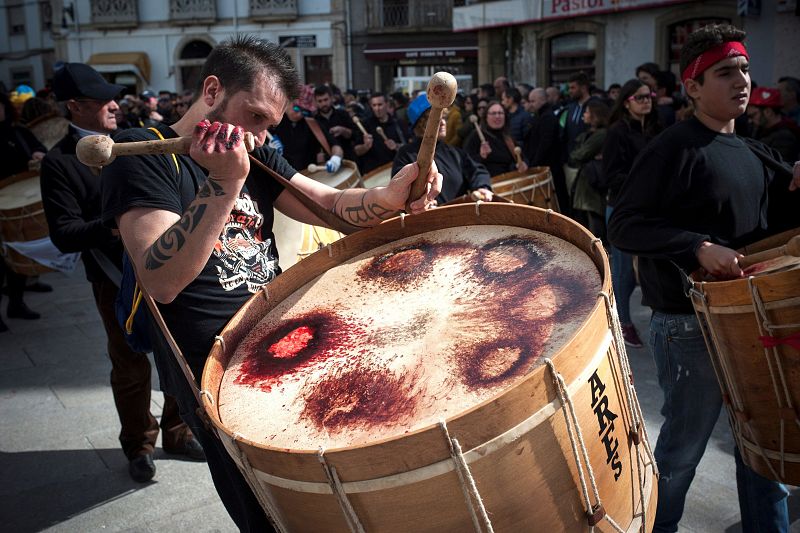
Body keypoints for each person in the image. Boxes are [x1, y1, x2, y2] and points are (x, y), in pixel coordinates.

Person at [101, 35, 441, 531]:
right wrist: (223, 183)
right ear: (212, 90)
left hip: (284, 339)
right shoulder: (146, 156)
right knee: (272, 509)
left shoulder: (255, 153)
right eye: (255, 116)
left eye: (271, 124)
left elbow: (330, 205)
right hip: (214, 373)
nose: (261, 135)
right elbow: (161, 279)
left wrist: (389, 196)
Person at [608, 24, 800, 533]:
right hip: (688, 326)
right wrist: (697, 246)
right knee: (681, 455)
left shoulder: (756, 152)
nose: (740, 80)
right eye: (724, 72)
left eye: (743, 68)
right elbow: (624, 223)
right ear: (692, 87)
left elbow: (770, 229)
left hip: (750, 320)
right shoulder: (672, 149)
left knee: (763, 450)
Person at [40, 62, 203, 483]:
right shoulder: (59, 163)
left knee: (178, 352)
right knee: (130, 364)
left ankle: (178, 430)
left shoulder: (139, 141)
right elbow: (64, 234)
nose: (115, 104)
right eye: (102, 100)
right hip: (113, 277)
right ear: (74, 107)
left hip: (166, 264)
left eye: (114, 97)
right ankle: (139, 444)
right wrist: (119, 221)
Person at [601, 79, 662, 348]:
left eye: (649, 96)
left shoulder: (655, 128)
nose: (646, 100)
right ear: (627, 102)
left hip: (651, 208)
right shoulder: (616, 132)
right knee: (623, 273)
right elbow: (611, 176)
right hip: (622, 209)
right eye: (640, 97)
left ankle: (657, 319)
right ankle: (623, 323)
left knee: (651, 268)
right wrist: (643, 180)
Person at [0, 91, 46, 331]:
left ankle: (16, 303)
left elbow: (37, 146)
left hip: (19, 199)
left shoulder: (18, 131)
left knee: (17, 255)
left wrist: (38, 154)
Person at [393, 93, 492, 205]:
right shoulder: (406, 154)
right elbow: (398, 190)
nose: (443, 122)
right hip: (426, 220)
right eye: (436, 119)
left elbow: (478, 172)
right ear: (421, 125)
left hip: (460, 219)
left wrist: (482, 187)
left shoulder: (454, 152)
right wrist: (419, 202)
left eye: (444, 117)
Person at [567, 99, 609, 241]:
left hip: (592, 187)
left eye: (587, 112)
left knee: (594, 225)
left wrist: (583, 156)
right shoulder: (590, 134)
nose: (584, 114)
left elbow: (579, 155)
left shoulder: (601, 134)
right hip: (586, 185)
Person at [523, 88, 569, 213]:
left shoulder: (547, 117)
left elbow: (545, 144)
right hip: (544, 166)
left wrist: (535, 164)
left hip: (549, 168)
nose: (530, 104)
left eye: (533, 101)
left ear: (542, 100)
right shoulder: (542, 116)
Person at [272, 100, 343, 173]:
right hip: (282, 175)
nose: (299, 114)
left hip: (309, 175)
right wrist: (269, 149)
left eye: (304, 112)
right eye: (296, 108)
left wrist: (335, 159)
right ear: (287, 104)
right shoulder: (274, 122)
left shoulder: (312, 124)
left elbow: (335, 145)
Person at [463, 101, 527, 177]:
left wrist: (522, 164)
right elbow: (465, 163)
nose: (497, 116)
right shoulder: (476, 136)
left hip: (509, 180)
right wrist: (481, 156)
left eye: (500, 113)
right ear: (486, 117)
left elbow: (521, 157)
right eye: (493, 113)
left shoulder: (507, 136)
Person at [353, 92, 406, 173]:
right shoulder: (365, 125)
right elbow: (356, 151)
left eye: (380, 105)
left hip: (393, 170)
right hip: (372, 173)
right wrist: (365, 146)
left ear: (387, 104)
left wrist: (396, 146)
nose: (377, 109)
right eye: (374, 105)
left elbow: (407, 147)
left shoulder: (398, 124)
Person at [747, 87, 800, 163]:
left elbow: (780, 167)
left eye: (753, 115)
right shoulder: (761, 130)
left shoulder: (784, 137)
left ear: (768, 112)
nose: (750, 121)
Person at [314, 84, 357, 161]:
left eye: (326, 100)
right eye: (320, 101)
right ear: (315, 102)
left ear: (331, 98)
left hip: (347, 159)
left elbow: (355, 135)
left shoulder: (343, 114)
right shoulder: (313, 121)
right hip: (326, 163)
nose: (323, 104)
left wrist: (343, 130)